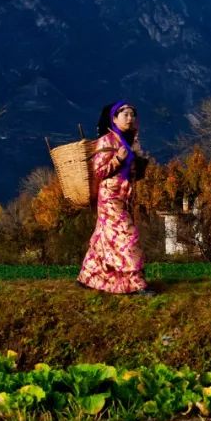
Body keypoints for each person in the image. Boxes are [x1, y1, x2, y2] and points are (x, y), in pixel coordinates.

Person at [77, 100, 151, 294]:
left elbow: (135, 174)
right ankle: (137, 282)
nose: (130, 118)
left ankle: (89, 275)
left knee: (105, 237)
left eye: (132, 114)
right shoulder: (106, 141)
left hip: (125, 197)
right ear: (114, 119)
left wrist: (140, 161)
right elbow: (99, 172)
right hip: (110, 198)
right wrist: (118, 158)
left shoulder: (129, 141)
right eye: (125, 114)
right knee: (126, 236)